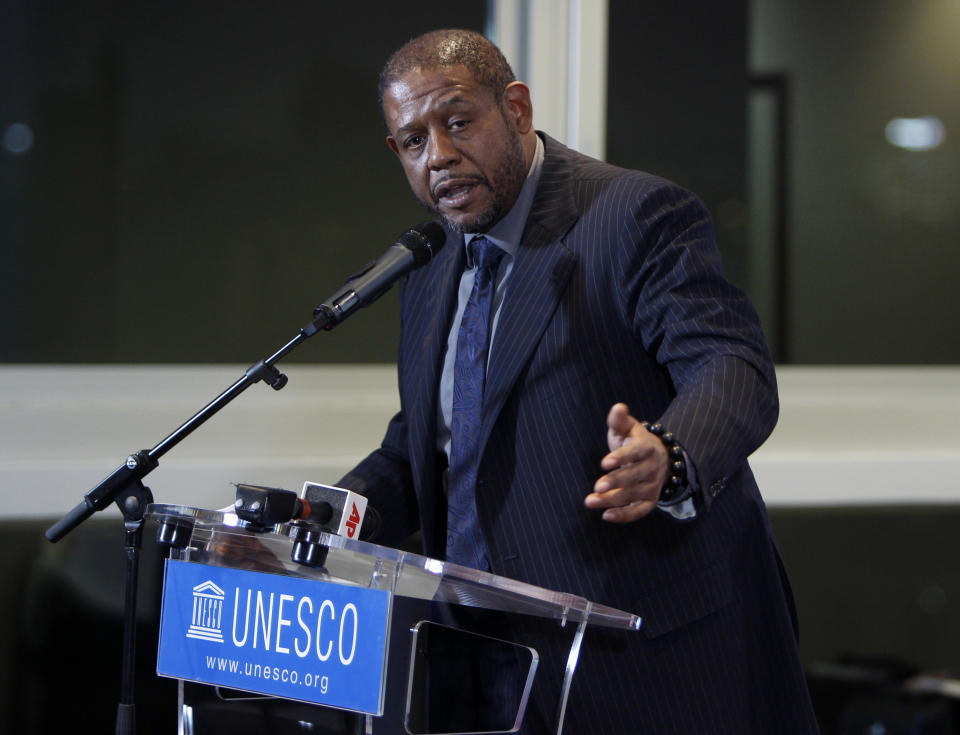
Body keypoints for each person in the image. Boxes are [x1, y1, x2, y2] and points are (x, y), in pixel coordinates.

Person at [338, 28, 819, 734]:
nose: (438, 154)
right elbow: (429, 449)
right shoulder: (430, 265)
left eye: (458, 121)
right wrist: (325, 517)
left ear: (518, 108)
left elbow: (731, 365)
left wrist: (669, 454)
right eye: (413, 141)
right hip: (485, 670)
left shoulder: (632, 216)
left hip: (642, 663)